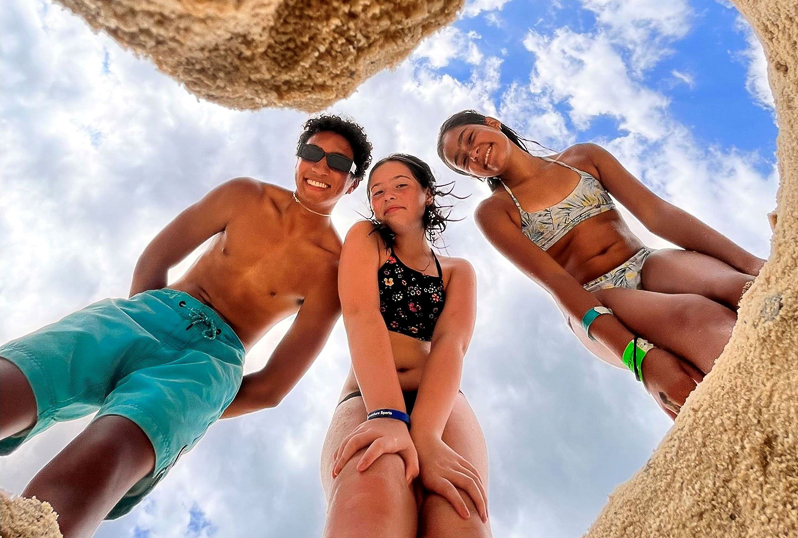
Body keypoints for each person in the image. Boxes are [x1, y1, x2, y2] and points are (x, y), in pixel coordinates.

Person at [0, 114, 372, 538]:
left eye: (339, 164)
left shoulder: (333, 268)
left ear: (353, 182)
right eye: (312, 153)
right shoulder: (244, 195)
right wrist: (143, 320)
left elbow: (271, 388)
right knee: (19, 377)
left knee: (105, 457)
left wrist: (198, 402)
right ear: (297, 157)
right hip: (145, 314)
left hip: (207, 365)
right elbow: (156, 259)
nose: (321, 168)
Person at [437, 110, 765, 419]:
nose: (473, 155)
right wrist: (640, 360)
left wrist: (749, 262)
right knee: (700, 316)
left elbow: (657, 215)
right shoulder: (496, 211)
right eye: (463, 161)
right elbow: (556, 281)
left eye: (469, 139)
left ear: (492, 123)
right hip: (595, 299)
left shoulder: (582, 158)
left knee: (743, 287)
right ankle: (760, 400)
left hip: (645, 261)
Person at [320, 154, 491, 538]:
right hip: (368, 397)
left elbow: (451, 344)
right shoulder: (367, 238)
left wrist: (427, 436)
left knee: (459, 509)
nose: (387, 195)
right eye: (377, 191)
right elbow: (361, 315)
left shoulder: (457, 270)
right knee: (368, 498)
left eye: (400, 185)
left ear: (427, 195)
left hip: (441, 401)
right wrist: (387, 414)